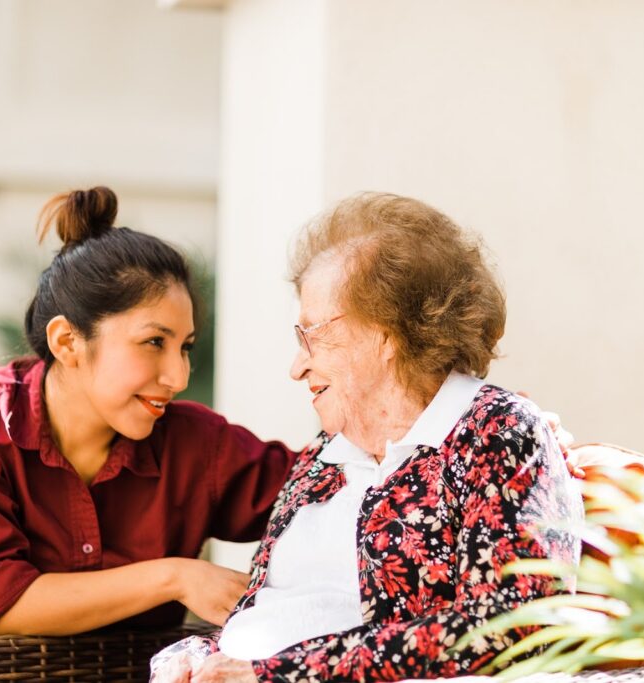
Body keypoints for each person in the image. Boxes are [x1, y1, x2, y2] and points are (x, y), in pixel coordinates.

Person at [152, 193, 584, 683]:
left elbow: (512, 629)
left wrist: (277, 675)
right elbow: (264, 616)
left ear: (388, 333)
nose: (297, 368)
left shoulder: (496, 432)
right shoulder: (325, 455)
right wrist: (187, 658)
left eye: (312, 335)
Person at [0, 187, 297, 635]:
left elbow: (321, 496)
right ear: (67, 342)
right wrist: (174, 577)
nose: (178, 376)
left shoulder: (198, 444)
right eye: (154, 342)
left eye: (185, 347)